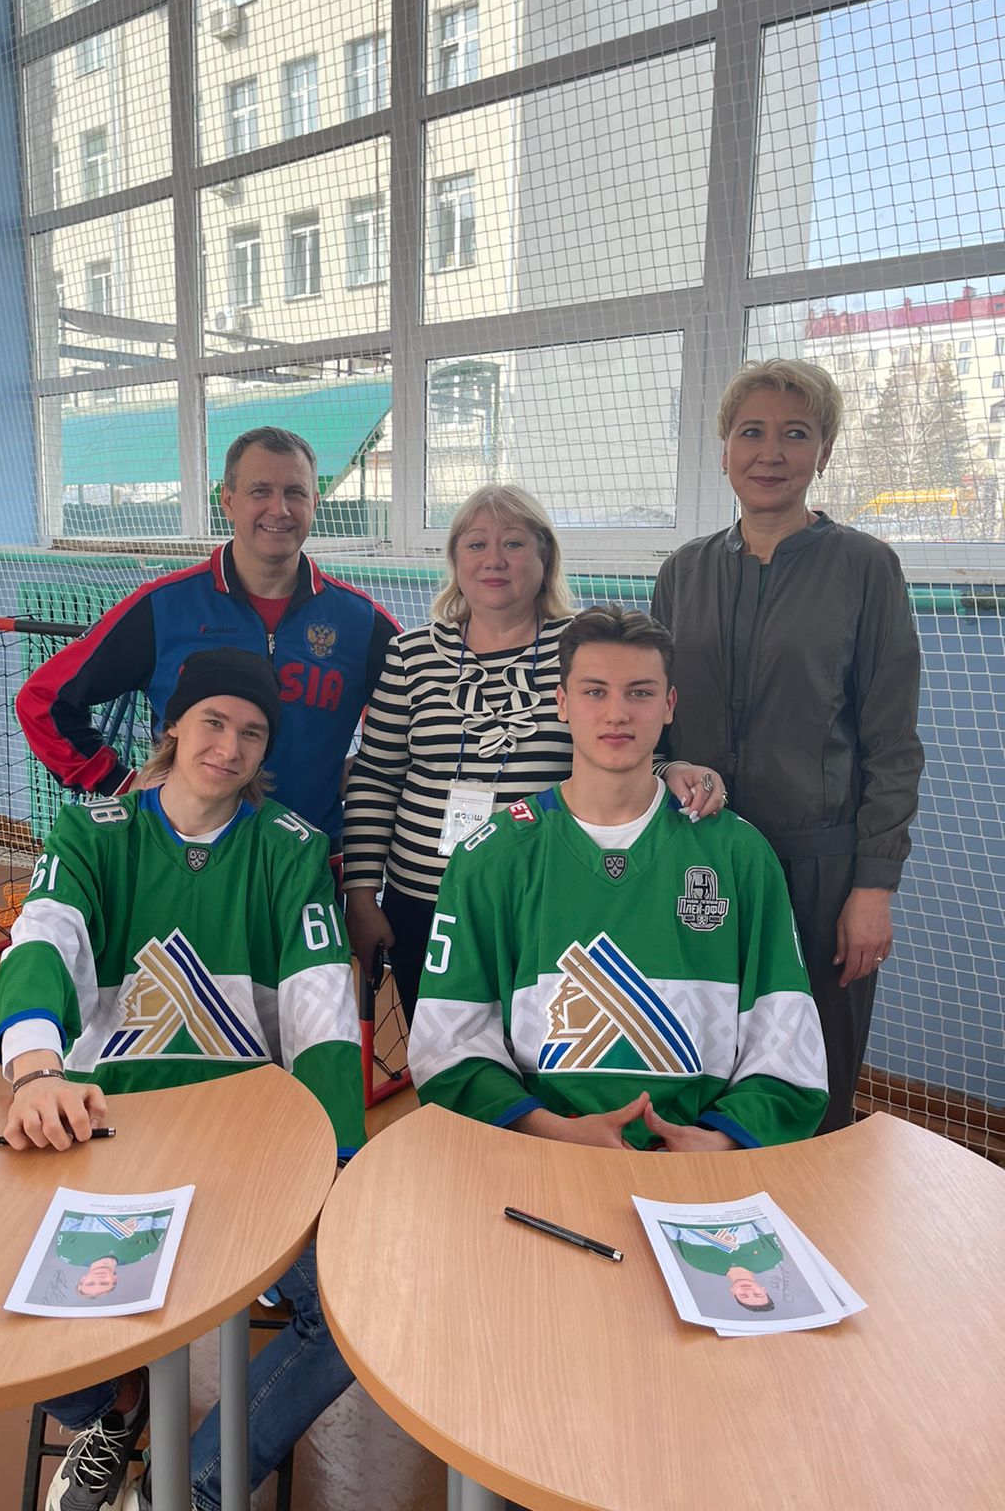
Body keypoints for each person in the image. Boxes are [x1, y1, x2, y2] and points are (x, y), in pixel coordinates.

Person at [0, 647, 363, 1511]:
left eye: (251, 733)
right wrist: (37, 1069)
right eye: (213, 722)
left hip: (248, 1150)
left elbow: (320, 1009)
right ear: (173, 725)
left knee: (350, 1310)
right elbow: (43, 940)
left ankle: (191, 1487)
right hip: (110, 1135)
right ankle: (111, 1407)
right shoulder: (94, 832)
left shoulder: (290, 850)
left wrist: (336, 1159)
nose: (228, 748)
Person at [408, 605, 829, 1150]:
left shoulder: (738, 853)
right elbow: (448, 1045)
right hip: (540, 1154)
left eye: (639, 692)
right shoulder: (491, 857)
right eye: (594, 691)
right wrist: (552, 1130)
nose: (617, 713)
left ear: (669, 705)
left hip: (700, 1162)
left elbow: (787, 1043)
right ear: (561, 702)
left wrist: (719, 1141)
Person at [651, 358, 924, 1134]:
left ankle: (810, 1204)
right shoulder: (682, 572)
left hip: (820, 872)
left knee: (814, 1075)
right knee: (697, 1059)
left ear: (824, 452)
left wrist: (872, 889)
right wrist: (668, 768)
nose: (770, 453)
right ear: (724, 450)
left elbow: (892, 743)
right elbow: (653, 722)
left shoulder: (866, 568)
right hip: (698, 857)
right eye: (752, 432)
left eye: (795, 434)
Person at [342, 485, 724, 1024]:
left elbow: (623, 753)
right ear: (455, 559)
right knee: (444, 1055)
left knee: (544, 1048)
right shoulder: (410, 655)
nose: (494, 560)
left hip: (547, 896)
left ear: (545, 557)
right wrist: (362, 894)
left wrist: (677, 769)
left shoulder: (583, 648)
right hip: (424, 901)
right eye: (476, 544)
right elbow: (376, 779)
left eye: (514, 544)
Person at [16, 426, 399, 855]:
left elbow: (423, 723)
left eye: (295, 492)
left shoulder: (361, 623)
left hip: (312, 863)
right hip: (184, 862)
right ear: (228, 501)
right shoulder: (165, 607)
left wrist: (363, 776)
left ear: (314, 503)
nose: (279, 509)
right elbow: (42, 702)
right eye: (260, 491)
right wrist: (119, 783)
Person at [664, 1222, 781, 1311]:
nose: (748, 1291)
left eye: (743, 1295)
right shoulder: (772, 1259)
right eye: (757, 1294)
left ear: (733, 1292)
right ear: (763, 1289)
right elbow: (761, 1220)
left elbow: (670, 1227)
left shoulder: (698, 1264)